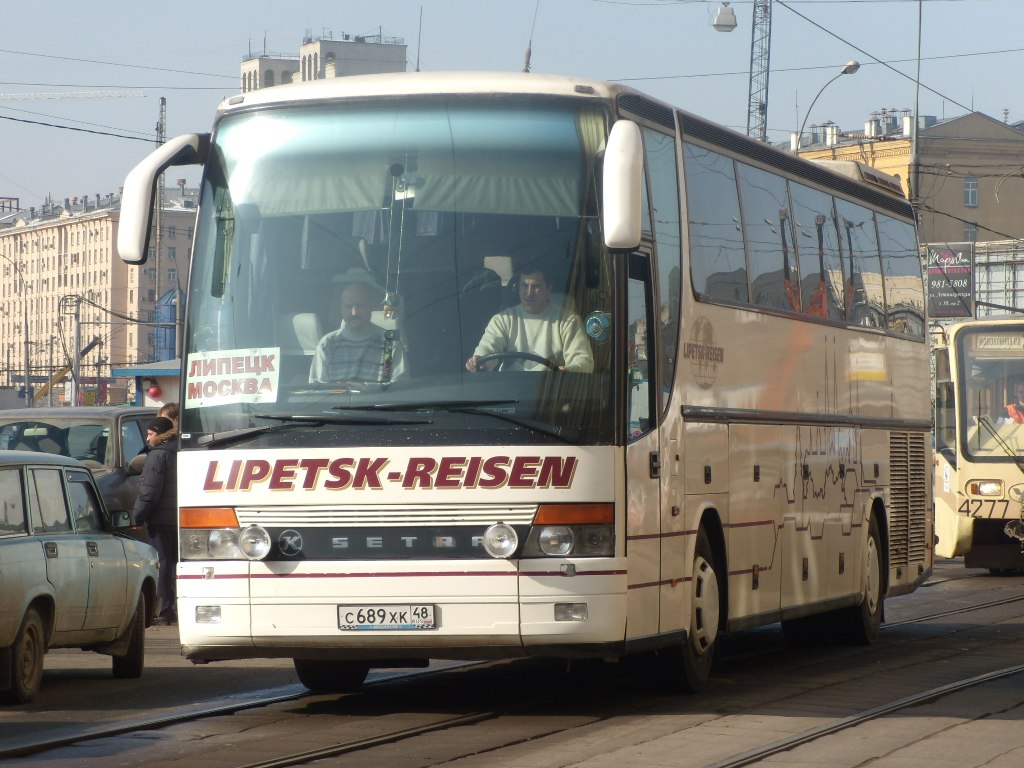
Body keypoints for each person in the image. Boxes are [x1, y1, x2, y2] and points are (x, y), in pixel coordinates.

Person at [465, 267, 594, 373]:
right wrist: (478, 361)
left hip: (549, 393)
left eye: (536, 286)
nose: (529, 293)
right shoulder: (503, 320)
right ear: (518, 287)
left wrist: (568, 370)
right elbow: (487, 349)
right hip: (507, 392)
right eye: (524, 285)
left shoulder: (568, 321)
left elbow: (584, 361)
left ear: (548, 289)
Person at [309, 279, 403, 386]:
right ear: (341, 307)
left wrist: (366, 388)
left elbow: (400, 387)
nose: (354, 312)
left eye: (360, 306)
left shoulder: (389, 343)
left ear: (371, 306)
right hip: (336, 403)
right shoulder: (327, 344)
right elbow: (317, 390)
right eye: (348, 306)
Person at [132, 416, 179, 625]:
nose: (147, 437)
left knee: (163, 564)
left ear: (160, 434)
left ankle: (165, 611)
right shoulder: (181, 450)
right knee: (179, 564)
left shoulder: (158, 455)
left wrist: (137, 516)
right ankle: (178, 607)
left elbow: (149, 492)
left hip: (161, 519)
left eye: (151, 434)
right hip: (181, 517)